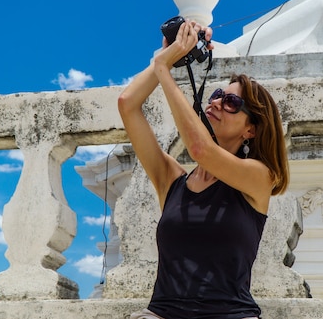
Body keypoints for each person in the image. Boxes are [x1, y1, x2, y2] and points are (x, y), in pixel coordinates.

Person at [118, 19, 289, 319]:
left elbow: (201, 150)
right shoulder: (172, 182)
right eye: (218, 95)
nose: (219, 102)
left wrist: (163, 71)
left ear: (251, 129)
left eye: (233, 102)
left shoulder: (260, 177)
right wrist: (167, 57)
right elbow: (127, 103)